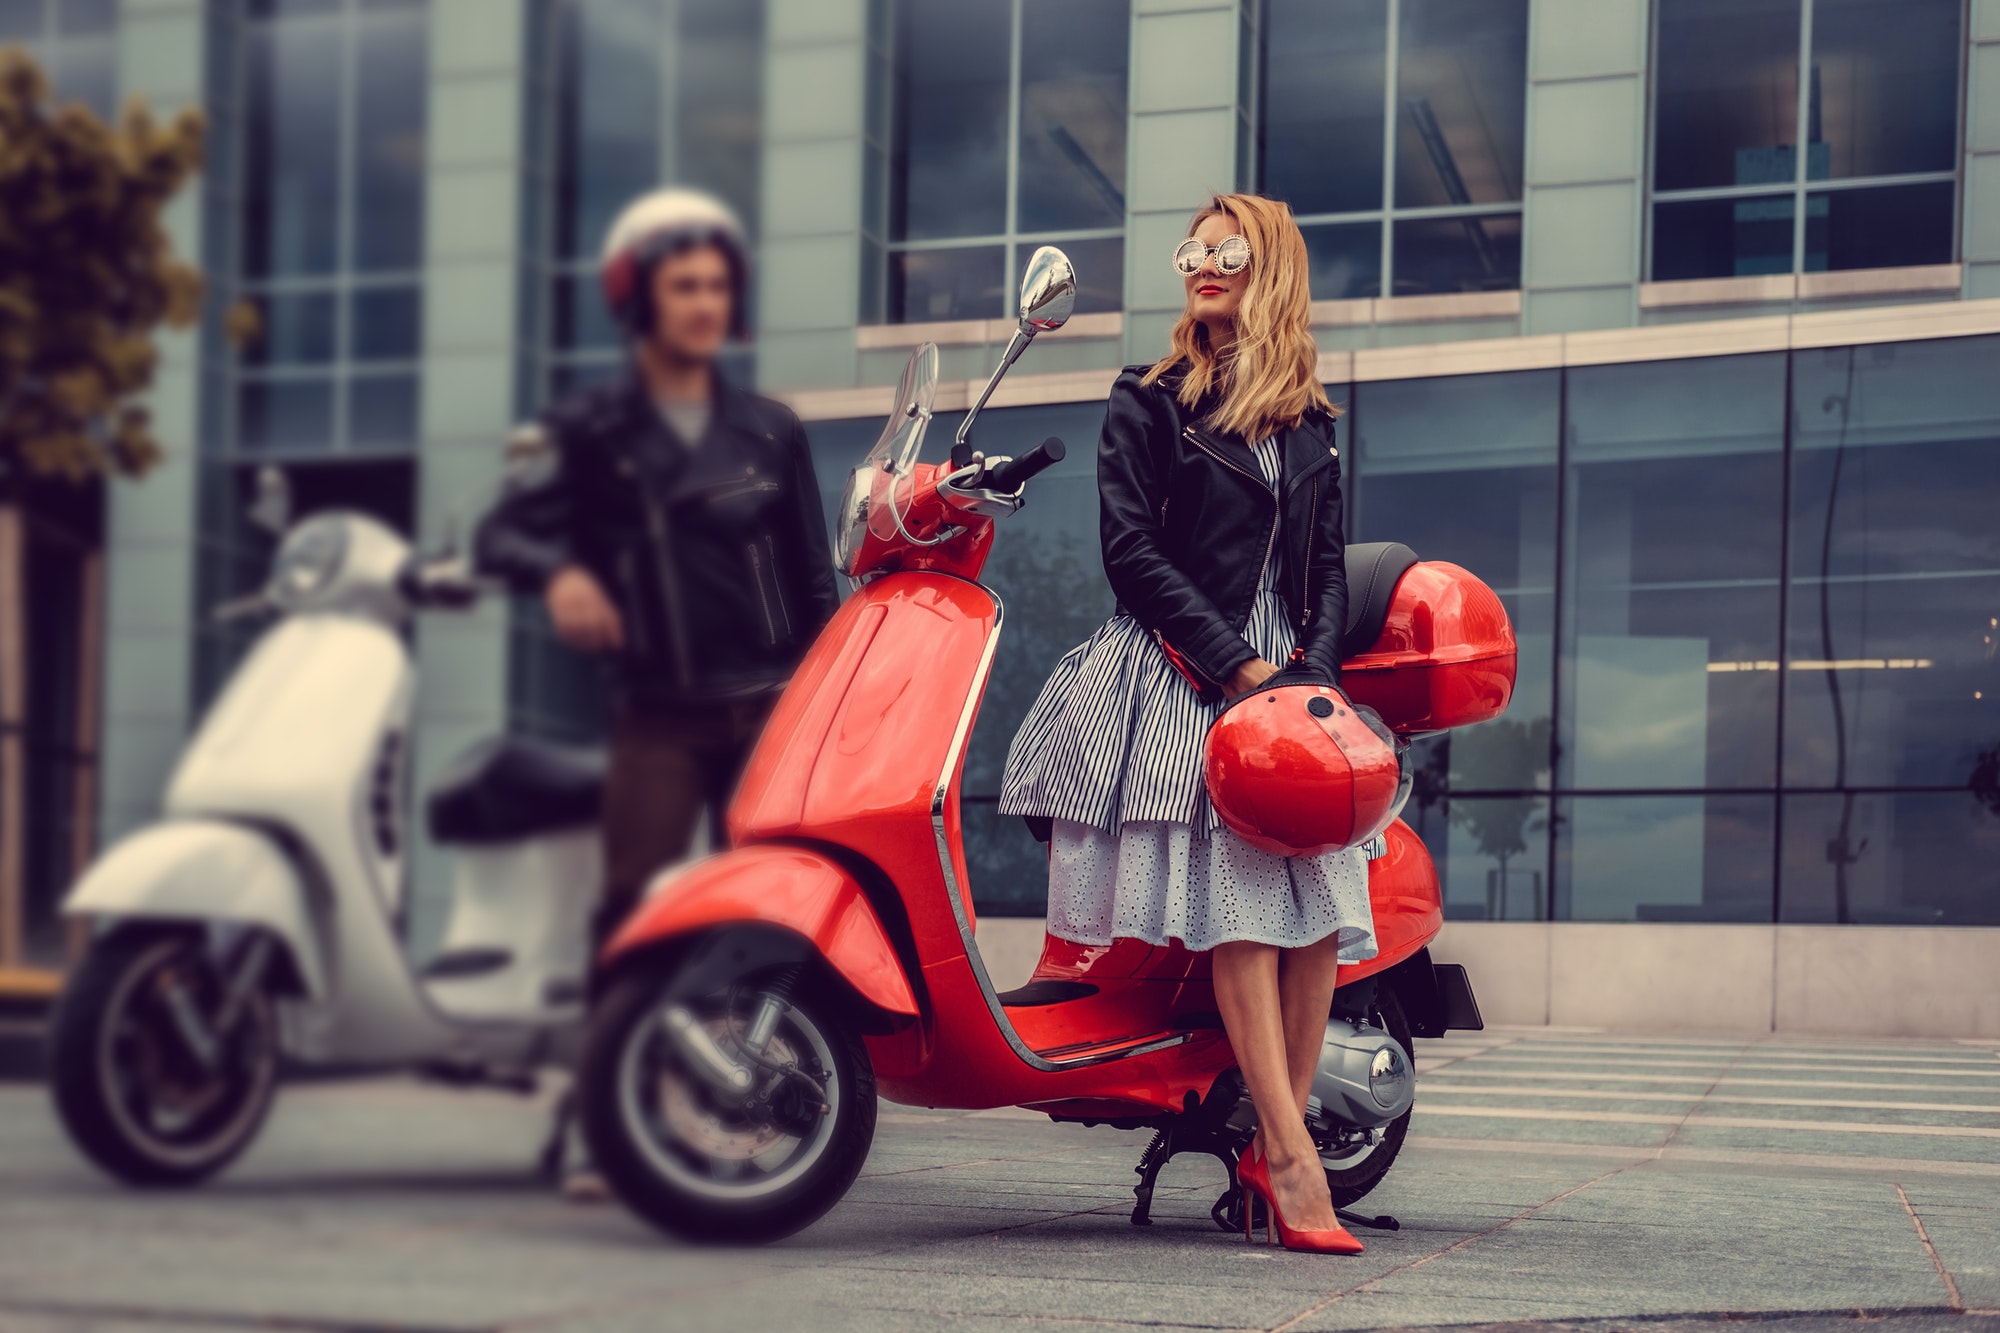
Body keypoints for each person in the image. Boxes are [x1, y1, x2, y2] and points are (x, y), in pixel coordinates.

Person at [997, 193, 1374, 1254]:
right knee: (1252, 911)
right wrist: (1237, 664)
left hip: (1285, 680)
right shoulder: (1148, 397)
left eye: (1227, 251)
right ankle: (1293, 1161)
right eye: (1192, 252)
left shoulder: (1307, 421)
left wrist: (1308, 670)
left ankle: (1272, 1138)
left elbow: (1328, 568)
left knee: (1316, 923)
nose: (1202, 266)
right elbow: (1129, 552)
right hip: (1183, 667)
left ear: (1271, 272)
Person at [477, 186, 841, 951]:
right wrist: (558, 571)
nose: (704, 303)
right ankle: (623, 1063)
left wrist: (821, 709)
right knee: (631, 916)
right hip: (656, 716)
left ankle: (772, 1063)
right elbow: (499, 531)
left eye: (716, 286)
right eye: (684, 287)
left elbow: (814, 577)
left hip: (768, 711)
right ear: (642, 300)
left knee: (775, 909)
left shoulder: (772, 431)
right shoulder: (589, 431)